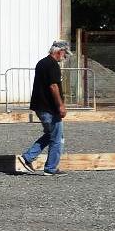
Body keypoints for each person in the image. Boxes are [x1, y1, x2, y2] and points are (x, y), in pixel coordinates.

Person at [20, 40, 72, 176]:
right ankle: (51, 168)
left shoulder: (42, 62)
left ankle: (28, 157)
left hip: (39, 106)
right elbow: (53, 86)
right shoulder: (53, 65)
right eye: (65, 54)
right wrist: (60, 105)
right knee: (57, 138)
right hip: (49, 108)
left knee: (50, 135)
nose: (64, 57)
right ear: (60, 51)